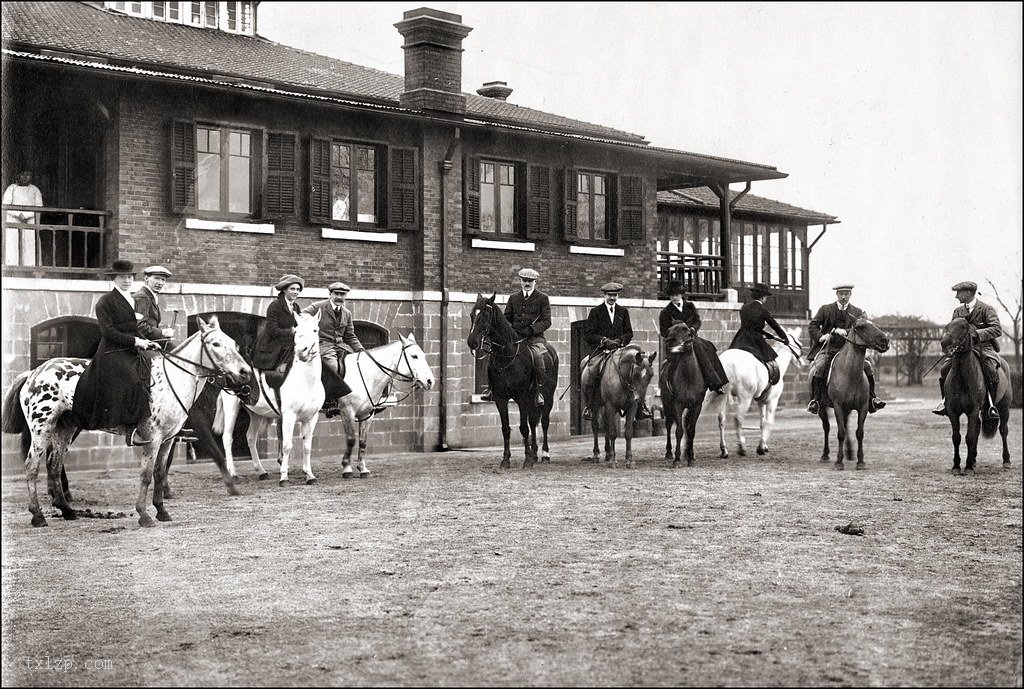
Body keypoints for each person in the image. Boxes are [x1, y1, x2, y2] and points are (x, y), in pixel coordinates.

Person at [71, 259, 161, 446]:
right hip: (111, 352)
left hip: (129, 349)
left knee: (151, 373)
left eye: (129, 276)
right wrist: (136, 341)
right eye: (122, 277)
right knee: (133, 379)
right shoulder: (105, 301)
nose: (127, 280)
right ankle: (130, 430)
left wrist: (148, 343)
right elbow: (108, 332)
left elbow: (135, 327)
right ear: (114, 279)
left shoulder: (132, 299)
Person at [806, 283, 886, 414]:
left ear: (850, 295)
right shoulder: (825, 309)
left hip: (850, 350)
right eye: (841, 294)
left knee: (868, 367)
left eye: (846, 294)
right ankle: (815, 401)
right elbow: (812, 326)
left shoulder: (857, 312)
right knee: (820, 366)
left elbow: (863, 330)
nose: (843, 297)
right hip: (829, 349)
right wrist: (821, 337)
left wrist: (845, 331)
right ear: (837, 294)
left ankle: (872, 398)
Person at [581, 281, 652, 421]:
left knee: (637, 372)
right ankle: (589, 406)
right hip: (601, 351)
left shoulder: (623, 312)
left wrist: (620, 341)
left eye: (615, 295)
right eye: (610, 295)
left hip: (620, 351)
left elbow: (629, 333)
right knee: (591, 372)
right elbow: (588, 334)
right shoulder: (595, 312)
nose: (612, 298)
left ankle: (641, 406)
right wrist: (603, 340)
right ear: (604, 295)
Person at [933, 280, 1003, 420]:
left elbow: (997, 329)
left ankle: (990, 405)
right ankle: (945, 403)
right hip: (962, 349)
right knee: (944, 369)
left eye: (959, 293)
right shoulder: (958, 311)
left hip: (983, 348)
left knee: (991, 370)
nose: (956, 296)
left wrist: (976, 333)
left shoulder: (986, 309)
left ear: (969, 293)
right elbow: (952, 332)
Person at [481, 268, 552, 405]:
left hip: (534, 338)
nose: (527, 283)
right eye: (524, 280)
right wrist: (512, 330)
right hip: (514, 338)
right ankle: (491, 390)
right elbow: (506, 318)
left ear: (534, 282)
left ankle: (538, 392)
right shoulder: (513, 298)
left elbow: (546, 321)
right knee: (493, 357)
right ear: (520, 281)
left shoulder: (543, 298)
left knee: (538, 358)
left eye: (530, 281)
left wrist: (531, 329)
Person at [302, 281, 368, 417]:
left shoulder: (346, 313)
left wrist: (361, 351)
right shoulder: (318, 307)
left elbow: (350, 335)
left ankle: (349, 398)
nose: (339, 297)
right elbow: (302, 316)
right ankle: (327, 400)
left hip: (341, 346)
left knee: (356, 364)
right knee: (332, 365)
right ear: (330, 294)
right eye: (337, 294)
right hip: (322, 344)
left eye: (342, 295)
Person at [658, 280, 728, 395]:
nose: (674, 297)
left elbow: (697, 321)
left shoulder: (690, 306)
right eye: (672, 295)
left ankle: (716, 382)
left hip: (691, 338)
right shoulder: (665, 312)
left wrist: (693, 329)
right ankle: (667, 386)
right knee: (671, 361)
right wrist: (674, 332)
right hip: (676, 342)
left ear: (681, 294)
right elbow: (663, 331)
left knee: (706, 347)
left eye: (677, 295)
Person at [251, 274, 304, 390]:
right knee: (279, 371)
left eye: (298, 290)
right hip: (271, 343)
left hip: (289, 343)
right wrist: (291, 331)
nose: (296, 292)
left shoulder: (296, 307)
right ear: (285, 290)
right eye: (293, 289)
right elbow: (272, 329)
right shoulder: (274, 306)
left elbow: (298, 324)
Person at [728, 283, 789, 383]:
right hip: (755, 339)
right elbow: (774, 325)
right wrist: (784, 337)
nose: (766, 299)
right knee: (770, 360)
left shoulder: (744, 308)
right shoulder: (762, 310)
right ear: (762, 297)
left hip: (741, 337)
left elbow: (750, 325)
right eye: (766, 297)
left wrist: (768, 335)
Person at [3, 169, 43, 266]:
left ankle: (30, 267)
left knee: (29, 244)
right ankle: (12, 266)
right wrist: (18, 214)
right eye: (22, 174)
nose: (25, 177)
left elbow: (39, 206)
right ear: (18, 175)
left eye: (28, 174)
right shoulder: (11, 188)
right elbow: (5, 204)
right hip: (13, 221)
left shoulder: (35, 190)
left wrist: (26, 215)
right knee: (13, 244)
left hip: (29, 222)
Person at [134, 265, 176, 349]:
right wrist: (162, 333)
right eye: (156, 278)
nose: (160, 283)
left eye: (163, 279)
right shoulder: (143, 297)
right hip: (142, 344)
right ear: (146, 279)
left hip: (151, 341)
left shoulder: (150, 296)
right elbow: (140, 327)